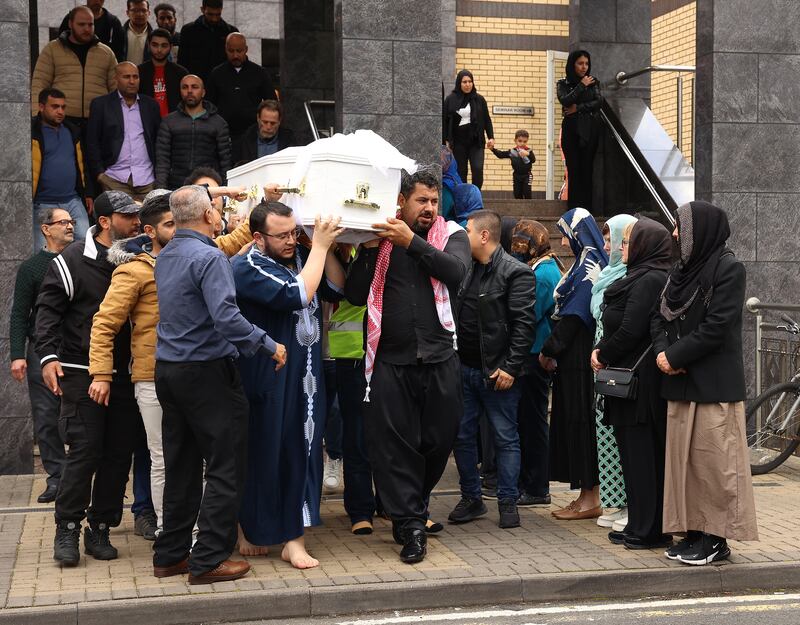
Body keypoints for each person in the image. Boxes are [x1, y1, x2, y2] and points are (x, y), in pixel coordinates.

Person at [151, 185, 285, 584]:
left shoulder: (167, 254)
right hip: (207, 372)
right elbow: (226, 318)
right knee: (226, 466)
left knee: (182, 467)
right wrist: (269, 344)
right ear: (209, 215)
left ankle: (171, 555)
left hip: (170, 370)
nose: (218, 212)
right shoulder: (209, 257)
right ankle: (208, 558)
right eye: (215, 208)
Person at [345, 170, 470, 563]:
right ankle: (411, 525)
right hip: (390, 361)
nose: (429, 208)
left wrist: (412, 243)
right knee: (393, 447)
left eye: (434, 201)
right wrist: (369, 250)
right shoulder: (381, 241)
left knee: (439, 440)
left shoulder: (452, 235)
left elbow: (456, 272)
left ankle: (409, 505)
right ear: (401, 201)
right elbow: (354, 293)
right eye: (421, 201)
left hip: (440, 358)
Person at [35, 191, 145, 566]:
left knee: (118, 454)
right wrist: (48, 357)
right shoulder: (71, 260)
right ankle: (67, 527)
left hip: (127, 374)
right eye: (127, 216)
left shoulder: (139, 256)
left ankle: (100, 528)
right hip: (81, 373)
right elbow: (47, 311)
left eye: (136, 215)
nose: (136, 221)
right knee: (85, 451)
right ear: (105, 222)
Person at [232, 203, 345, 568]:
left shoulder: (302, 256)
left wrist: (320, 246)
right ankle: (248, 528)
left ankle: (294, 539)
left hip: (308, 379)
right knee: (262, 454)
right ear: (258, 237)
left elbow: (337, 287)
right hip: (267, 377)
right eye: (281, 235)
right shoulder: (246, 266)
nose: (290, 241)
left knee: (305, 451)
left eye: (293, 232)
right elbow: (296, 294)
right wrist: (321, 247)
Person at [651, 201, 758, 565]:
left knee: (714, 467)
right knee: (686, 467)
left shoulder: (729, 268)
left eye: (681, 227)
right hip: (681, 384)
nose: (675, 234)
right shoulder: (680, 271)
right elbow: (658, 317)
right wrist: (663, 354)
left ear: (702, 231)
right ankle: (695, 533)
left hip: (712, 387)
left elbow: (717, 326)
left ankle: (716, 540)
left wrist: (675, 356)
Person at [449, 210, 535, 529]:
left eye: (468, 230)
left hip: (499, 375)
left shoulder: (516, 272)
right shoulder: (465, 268)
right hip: (464, 369)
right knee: (462, 436)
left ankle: (507, 502)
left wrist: (510, 367)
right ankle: (471, 499)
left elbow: (523, 326)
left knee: (505, 438)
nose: (463, 235)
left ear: (484, 236)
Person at [592, 217, 673, 549]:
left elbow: (631, 329)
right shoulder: (635, 275)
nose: (621, 247)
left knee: (644, 458)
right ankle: (638, 523)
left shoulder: (651, 278)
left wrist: (602, 352)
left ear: (644, 246)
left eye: (627, 242)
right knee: (632, 457)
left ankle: (650, 529)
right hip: (627, 380)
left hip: (641, 385)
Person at [542, 207, 607, 520]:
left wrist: (549, 350)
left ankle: (590, 499)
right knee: (577, 426)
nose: (564, 242)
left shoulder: (588, 266)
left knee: (581, 426)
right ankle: (584, 496)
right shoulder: (587, 262)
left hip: (580, 363)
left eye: (566, 235)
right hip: (576, 360)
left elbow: (573, 318)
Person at [9, 209, 74, 504]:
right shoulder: (31, 268)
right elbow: (19, 313)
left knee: (80, 416)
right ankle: (57, 478)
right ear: (46, 229)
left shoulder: (79, 259)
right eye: (63, 222)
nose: (69, 226)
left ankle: (80, 477)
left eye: (71, 222)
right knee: (46, 417)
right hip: (41, 350)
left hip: (77, 348)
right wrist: (17, 355)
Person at [509, 219, 562, 507]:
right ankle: (530, 483)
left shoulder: (542, 274)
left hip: (533, 355)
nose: (515, 248)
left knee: (533, 423)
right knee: (530, 421)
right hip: (532, 353)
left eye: (519, 243)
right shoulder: (543, 266)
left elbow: (529, 313)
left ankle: (537, 487)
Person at [589, 215, 637, 530]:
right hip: (603, 367)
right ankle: (614, 502)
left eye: (613, 240)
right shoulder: (608, 274)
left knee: (623, 442)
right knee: (605, 436)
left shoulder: (631, 277)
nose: (608, 247)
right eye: (607, 241)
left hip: (619, 366)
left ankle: (630, 504)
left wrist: (605, 352)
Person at [32, 6, 118, 128]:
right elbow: (39, 84)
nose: (87, 29)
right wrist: (37, 117)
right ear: (70, 24)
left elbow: (116, 89)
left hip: (98, 121)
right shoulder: (52, 49)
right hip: (62, 120)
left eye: (90, 24)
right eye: (81, 24)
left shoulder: (106, 53)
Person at [86, 62, 161, 201]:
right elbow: (92, 142)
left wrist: (159, 174)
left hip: (147, 178)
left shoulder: (150, 105)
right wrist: (100, 174)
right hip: (114, 178)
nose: (132, 81)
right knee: (120, 215)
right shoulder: (101, 105)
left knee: (149, 215)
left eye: (135, 77)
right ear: (116, 79)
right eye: (126, 77)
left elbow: (159, 141)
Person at [31, 88, 92, 247]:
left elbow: (82, 164)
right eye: (55, 106)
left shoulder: (72, 131)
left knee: (86, 245)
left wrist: (87, 193)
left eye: (63, 107)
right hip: (43, 202)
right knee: (44, 249)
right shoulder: (31, 131)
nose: (60, 111)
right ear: (41, 107)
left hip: (72, 199)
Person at [206, 33, 278, 156]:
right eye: (231, 51)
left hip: (252, 135)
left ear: (246, 49)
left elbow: (272, 103)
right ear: (225, 50)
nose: (235, 55)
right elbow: (209, 105)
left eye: (239, 51)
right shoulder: (217, 73)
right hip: (223, 134)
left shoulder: (259, 73)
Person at [155, 74, 232, 189]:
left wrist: (225, 189)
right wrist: (161, 190)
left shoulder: (218, 123)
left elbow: (225, 161)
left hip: (208, 186)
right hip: (176, 185)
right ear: (180, 91)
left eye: (194, 87)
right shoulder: (169, 121)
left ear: (203, 92)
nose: (189, 91)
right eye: (185, 87)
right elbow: (162, 160)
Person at [557, 50, 602, 210]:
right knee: (573, 169)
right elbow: (565, 100)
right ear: (572, 64)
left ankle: (587, 210)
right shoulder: (563, 84)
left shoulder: (593, 82)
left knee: (587, 169)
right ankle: (574, 209)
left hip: (589, 130)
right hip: (571, 130)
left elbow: (599, 102)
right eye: (580, 63)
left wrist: (578, 108)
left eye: (586, 64)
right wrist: (581, 85)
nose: (584, 67)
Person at [442, 70, 495, 189]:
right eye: (464, 82)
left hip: (476, 141)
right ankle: (464, 195)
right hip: (458, 143)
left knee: (477, 168)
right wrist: (445, 141)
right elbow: (445, 121)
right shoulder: (450, 99)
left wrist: (491, 137)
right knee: (461, 171)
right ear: (459, 83)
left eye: (470, 81)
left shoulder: (479, 99)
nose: (468, 84)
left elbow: (487, 119)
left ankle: (476, 194)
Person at [177, 0, 238, 81]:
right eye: (210, 14)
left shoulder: (230, 32)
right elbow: (182, 61)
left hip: (222, 82)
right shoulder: (188, 31)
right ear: (202, 10)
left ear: (221, 10)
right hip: (196, 82)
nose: (214, 19)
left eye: (218, 14)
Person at [138, 28, 188, 117]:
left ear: (171, 47)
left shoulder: (181, 73)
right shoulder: (139, 72)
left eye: (164, 46)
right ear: (148, 45)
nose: (159, 50)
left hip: (175, 121)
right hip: (146, 121)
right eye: (155, 45)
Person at [233, 100, 298, 166]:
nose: (268, 127)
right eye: (265, 122)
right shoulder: (245, 140)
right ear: (258, 118)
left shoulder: (289, 140)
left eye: (273, 123)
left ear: (279, 121)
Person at [59, 0, 125, 63]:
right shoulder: (72, 17)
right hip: (72, 62)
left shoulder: (113, 22)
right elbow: (61, 43)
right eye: (81, 24)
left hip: (102, 65)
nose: (97, 1)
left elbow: (119, 53)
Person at [491, 130, 535, 200]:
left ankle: (529, 206)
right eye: (520, 141)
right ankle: (519, 206)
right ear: (515, 141)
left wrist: (528, 154)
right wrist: (492, 149)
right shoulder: (512, 152)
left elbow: (533, 160)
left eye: (525, 141)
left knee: (527, 192)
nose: (522, 143)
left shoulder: (528, 151)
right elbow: (501, 155)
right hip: (516, 175)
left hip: (527, 175)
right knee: (517, 193)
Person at [122, 0, 153, 65]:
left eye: (143, 10)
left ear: (149, 13)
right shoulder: (119, 34)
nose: (140, 14)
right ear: (127, 13)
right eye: (135, 10)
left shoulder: (154, 37)